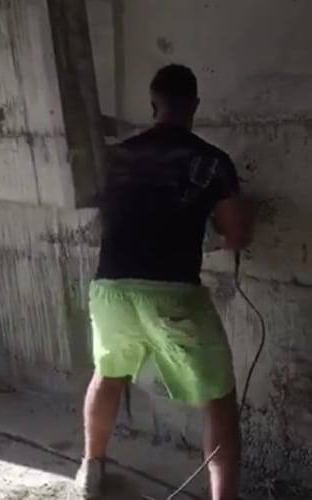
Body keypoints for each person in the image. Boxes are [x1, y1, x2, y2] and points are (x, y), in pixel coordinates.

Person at [75, 64, 253, 500]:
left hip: (110, 289)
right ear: (194, 105)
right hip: (172, 294)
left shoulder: (116, 156)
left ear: (153, 104)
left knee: (107, 375)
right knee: (219, 400)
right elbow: (238, 235)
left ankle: (90, 472)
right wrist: (211, 234)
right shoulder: (211, 162)